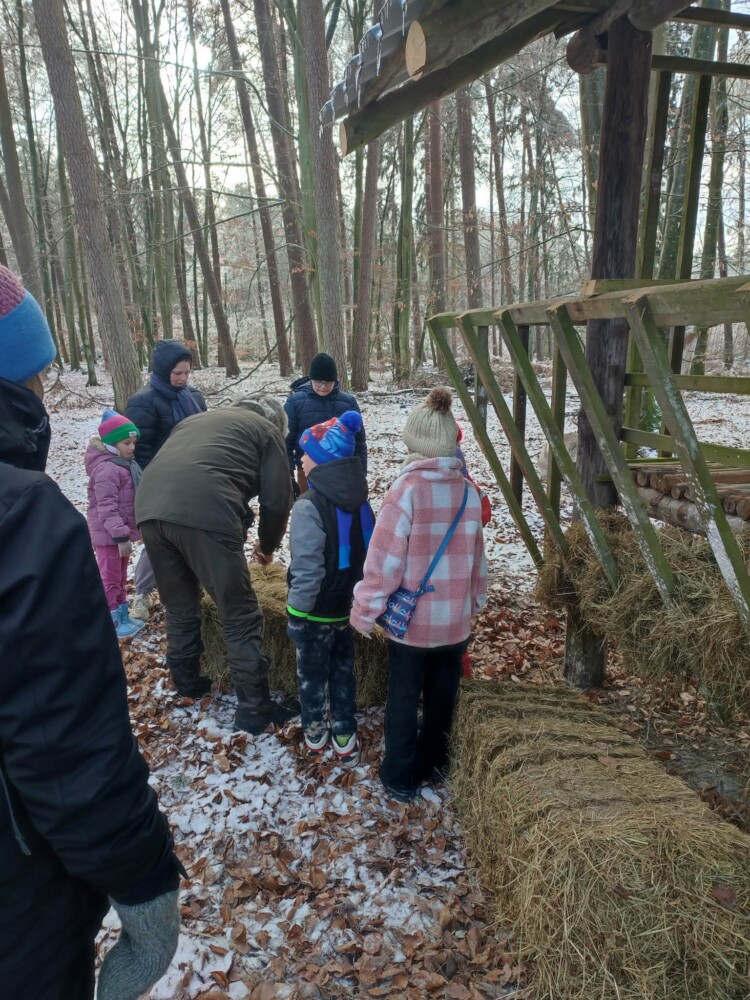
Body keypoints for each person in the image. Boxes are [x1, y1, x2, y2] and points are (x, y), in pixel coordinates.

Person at [0, 264, 182, 1000]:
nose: (44, 392)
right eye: (34, 375)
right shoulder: (21, 517)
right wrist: (144, 882)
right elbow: (63, 738)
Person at [350, 387, 487, 802]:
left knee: (404, 698)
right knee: (443, 697)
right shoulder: (469, 492)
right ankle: (436, 763)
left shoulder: (406, 490)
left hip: (413, 625)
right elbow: (477, 557)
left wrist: (365, 609)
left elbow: (384, 560)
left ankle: (400, 776)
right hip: (454, 622)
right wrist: (475, 601)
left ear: (415, 442)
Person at [135, 396, 297, 734]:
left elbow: (204, 469)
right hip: (204, 511)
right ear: (278, 423)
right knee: (239, 613)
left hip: (149, 507)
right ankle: (255, 708)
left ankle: (186, 680)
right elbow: (278, 501)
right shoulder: (267, 432)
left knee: (179, 602)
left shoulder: (197, 420)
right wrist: (267, 547)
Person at [287, 411, 374, 766]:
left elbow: (308, 567)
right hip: (348, 607)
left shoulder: (308, 506)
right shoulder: (362, 501)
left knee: (311, 674)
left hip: (316, 610)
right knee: (343, 671)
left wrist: (296, 613)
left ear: (322, 461)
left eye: (306, 454)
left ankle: (315, 731)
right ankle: (344, 733)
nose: (300, 459)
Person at [125, 339, 207, 620]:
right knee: (159, 541)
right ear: (162, 371)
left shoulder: (193, 397)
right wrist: (151, 486)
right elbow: (138, 451)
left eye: (187, 373)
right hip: (161, 484)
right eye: (177, 373)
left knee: (196, 535)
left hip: (195, 477)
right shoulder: (143, 402)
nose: (183, 379)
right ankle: (142, 593)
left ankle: (194, 587)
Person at [85, 409, 146, 639]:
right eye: (126, 443)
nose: (132, 447)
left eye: (134, 443)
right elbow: (106, 507)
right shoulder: (107, 469)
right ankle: (111, 621)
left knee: (120, 577)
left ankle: (122, 615)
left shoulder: (123, 464)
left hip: (120, 534)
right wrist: (121, 535)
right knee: (110, 579)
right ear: (112, 443)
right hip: (108, 536)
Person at [284, 352, 367, 496]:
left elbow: (359, 442)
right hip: (307, 469)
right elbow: (286, 443)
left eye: (328, 382)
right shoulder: (295, 402)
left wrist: (361, 473)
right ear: (311, 379)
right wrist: (288, 475)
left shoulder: (348, 402)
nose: (323, 386)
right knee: (308, 506)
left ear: (335, 380)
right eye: (318, 382)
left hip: (341, 471)